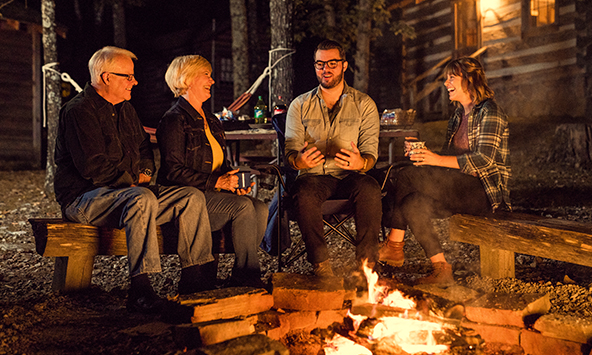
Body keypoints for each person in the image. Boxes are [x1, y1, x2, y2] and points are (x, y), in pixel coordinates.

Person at [54, 46, 216, 313]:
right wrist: (130, 182)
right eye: (128, 76)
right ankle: (140, 290)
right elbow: (91, 165)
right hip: (84, 198)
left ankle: (193, 281)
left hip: (126, 194)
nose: (135, 81)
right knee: (140, 198)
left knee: (189, 196)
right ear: (106, 77)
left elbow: (143, 148)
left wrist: (146, 174)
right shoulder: (79, 111)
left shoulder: (126, 110)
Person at [379, 57, 511, 284]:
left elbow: (486, 160)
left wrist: (437, 160)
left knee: (407, 175)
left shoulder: (490, 112)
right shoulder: (458, 116)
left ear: (469, 80)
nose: (446, 83)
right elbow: (448, 159)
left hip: (484, 193)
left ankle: (394, 244)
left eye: (452, 77)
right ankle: (441, 268)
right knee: (412, 202)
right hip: (457, 186)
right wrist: (424, 155)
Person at [156, 55, 269, 288]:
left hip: (212, 194)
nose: (213, 80)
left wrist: (234, 182)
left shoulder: (211, 120)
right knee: (244, 207)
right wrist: (218, 182)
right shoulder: (174, 120)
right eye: (205, 74)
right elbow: (173, 172)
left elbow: (221, 165)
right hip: (186, 198)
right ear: (186, 79)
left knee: (259, 208)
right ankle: (247, 279)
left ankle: (238, 273)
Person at [285, 39, 382, 277]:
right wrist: (300, 161)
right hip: (314, 176)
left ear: (344, 65)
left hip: (350, 175)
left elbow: (370, 152)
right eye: (320, 64)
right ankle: (321, 265)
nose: (325, 69)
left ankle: (367, 268)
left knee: (369, 187)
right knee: (304, 192)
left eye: (331, 63)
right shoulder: (299, 105)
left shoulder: (364, 104)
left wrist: (362, 163)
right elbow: (290, 152)